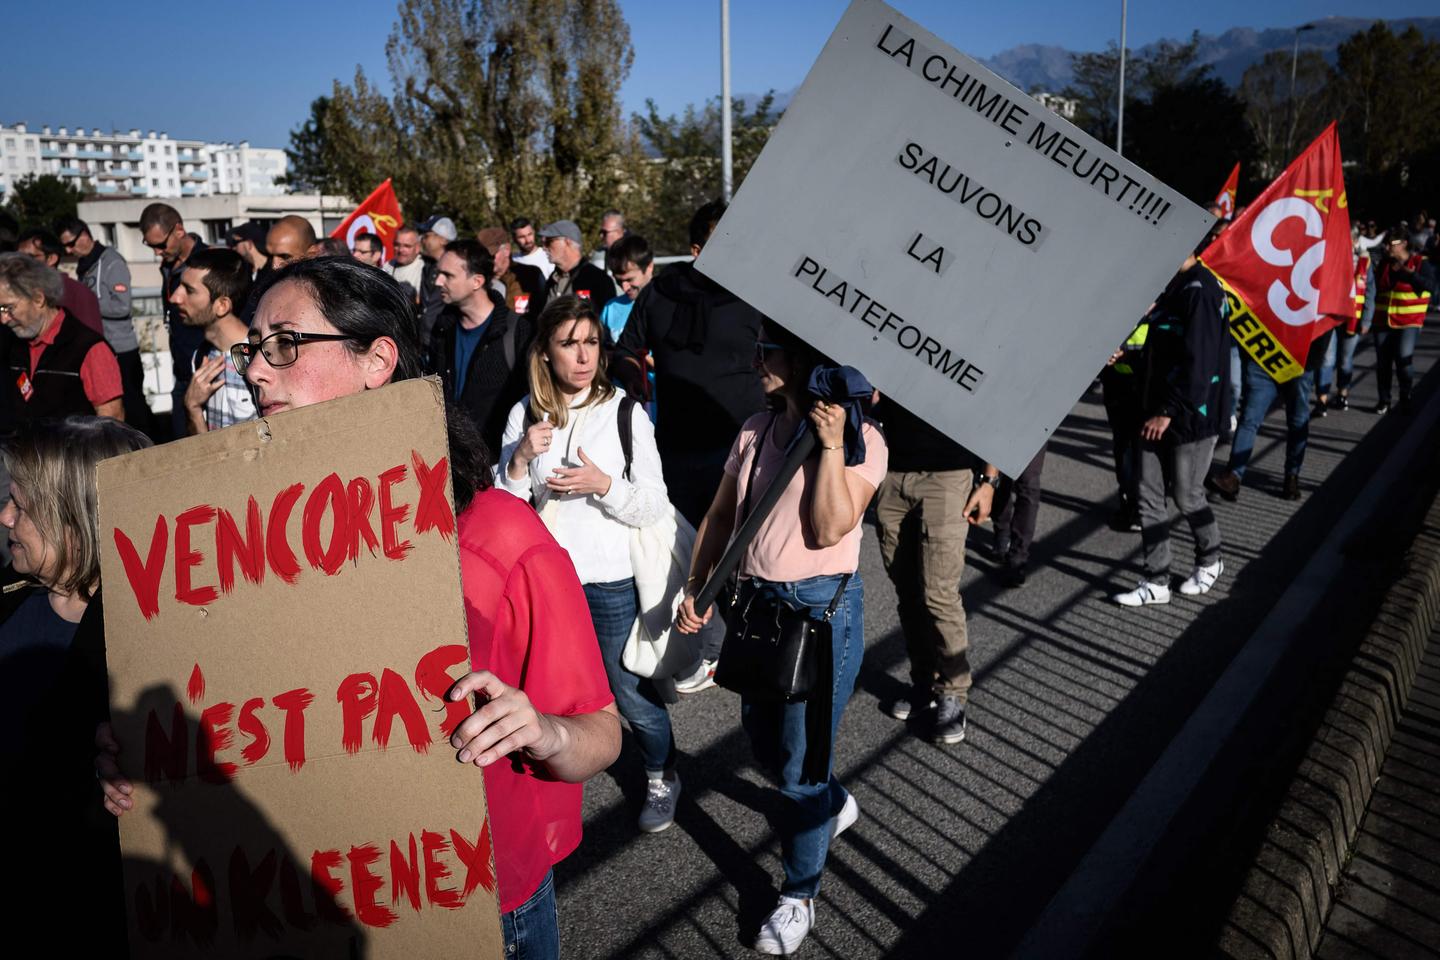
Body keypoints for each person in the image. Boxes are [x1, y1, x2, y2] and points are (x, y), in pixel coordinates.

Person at [97, 256, 621, 960]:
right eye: (253, 348)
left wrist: (544, 732)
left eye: (286, 344)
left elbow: (600, 732)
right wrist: (153, 751)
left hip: (469, 900)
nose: (255, 371)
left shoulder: (499, 533)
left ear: (377, 359)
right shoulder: (224, 545)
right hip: (296, 898)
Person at [676, 320, 886, 955]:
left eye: (768, 349)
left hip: (819, 616)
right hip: (754, 606)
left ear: (802, 360)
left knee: (797, 770)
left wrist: (827, 446)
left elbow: (828, 531)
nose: (755, 357)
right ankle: (830, 798)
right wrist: (698, 585)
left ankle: (799, 893)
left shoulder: (863, 442)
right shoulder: (754, 429)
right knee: (767, 750)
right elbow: (720, 514)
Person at [497, 295, 681, 832]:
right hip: (548, 584)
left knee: (631, 697)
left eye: (591, 344)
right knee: (554, 692)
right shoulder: (524, 415)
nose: (583, 357)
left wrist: (604, 485)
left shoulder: (624, 412)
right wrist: (519, 460)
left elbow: (653, 503)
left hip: (608, 584)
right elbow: (503, 506)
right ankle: (555, 785)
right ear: (545, 353)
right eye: (569, 344)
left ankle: (661, 772)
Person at [2, 416, 152, 949]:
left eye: (21, 506)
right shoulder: (12, 602)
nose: (4, 517)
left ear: (76, 522)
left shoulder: (143, 637)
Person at [616, 200, 766, 689]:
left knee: (746, 551)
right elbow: (626, 351)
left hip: (744, 445)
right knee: (685, 550)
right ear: (697, 248)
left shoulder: (759, 295)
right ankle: (711, 644)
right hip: (677, 447)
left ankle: (753, 644)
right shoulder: (661, 293)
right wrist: (633, 387)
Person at [873, 399, 998, 742]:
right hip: (892, 471)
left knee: (938, 593)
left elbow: (997, 405)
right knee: (907, 591)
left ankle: (953, 692)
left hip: (948, 474)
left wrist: (989, 480)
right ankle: (923, 684)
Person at [1114, 244, 1228, 606]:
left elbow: (1201, 362)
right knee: (1147, 494)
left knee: (1187, 495)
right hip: (1151, 410)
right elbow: (1163, 349)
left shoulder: (1201, 290)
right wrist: (1128, 354)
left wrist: (1169, 411)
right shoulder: (1174, 286)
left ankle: (1211, 559)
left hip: (1188, 417)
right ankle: (1156, 580)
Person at [428, 239, 536, 453]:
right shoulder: (442, 326)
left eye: (448, 275)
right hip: (450, 458)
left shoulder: (517, 331)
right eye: (438, 273)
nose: (438, 281)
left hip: (498, 461)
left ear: (477, 281)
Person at [0, 253, 124, 425]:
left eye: (8, 308)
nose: (3, 318)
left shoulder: (89, 348)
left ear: (38, 298)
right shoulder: (12, 343)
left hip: (75, 451)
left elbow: (112, 423)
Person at [58, 217, 151, 432]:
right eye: (65, 247)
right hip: (100, 348)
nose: (69, 250)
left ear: (84, 235)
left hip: (122, 349)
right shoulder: (85, 265)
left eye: (71, 244)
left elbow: (122, 306)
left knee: (133, 407)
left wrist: (87, 304)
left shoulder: (112, 262)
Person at [170, 248, 257, 433]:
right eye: (179, 285)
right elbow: (206, 452)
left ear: (222, 305)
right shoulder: (201, 355)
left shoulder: (260, 359)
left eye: (189, 290)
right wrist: (192, 409)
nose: (175, 297)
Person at [140, 202, 207, 437]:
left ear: (179, 230)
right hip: (180, 371)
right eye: (151, 246)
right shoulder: (168, 265)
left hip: (205, 371)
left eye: (160, 244)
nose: (157, 252)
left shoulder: (207, 261)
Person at [1372, 229, 1437, 415]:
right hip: (1382, 320)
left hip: (1409, 321)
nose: (1387, 247)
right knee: (1383, 362)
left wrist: (1409, 274)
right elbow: (1375, 285)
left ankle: (1405, 395)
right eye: (1386, 243)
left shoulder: (1419, 263)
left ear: (1403, 244)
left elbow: (1431, 287)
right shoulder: (1384, 262)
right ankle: (1384, 399)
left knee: (1403, 358)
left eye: (1391, 243)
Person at [16, 228, 103, 336]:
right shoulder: (15, 292)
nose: (21, 263)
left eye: (30, 257)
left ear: (52, 259)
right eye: (18, 257)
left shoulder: (78, 294)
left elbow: (93, 343)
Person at [539, 220, 617, 307]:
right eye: (543, 243)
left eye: (549, 242)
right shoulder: (552, 280)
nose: (544, 247)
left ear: (567, 241)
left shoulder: (598, 279)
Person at [477, 226, 547, 317]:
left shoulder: (530, 275)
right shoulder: (477, 281)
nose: (487, 260)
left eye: (491, 255)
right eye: (483, 256)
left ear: (506, 250)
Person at [600, 233, 655, 342]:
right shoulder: (610, 308)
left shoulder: (669, 303)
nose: (624, 288)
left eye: (630, 280)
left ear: (649, 267)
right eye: (619, 281)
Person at [418, 215, 459, 349]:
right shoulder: (428, 266)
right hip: (424, 342)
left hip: (443, 344)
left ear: (443, 240)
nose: (422, 239)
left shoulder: (458, 268)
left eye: (427, 235)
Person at [388, 224, 425, 300]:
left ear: (418, 247)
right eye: (397, 245)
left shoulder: (424, 270)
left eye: (407, 246)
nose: (401, 250)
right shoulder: (387, 265)